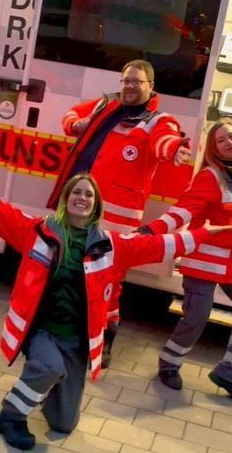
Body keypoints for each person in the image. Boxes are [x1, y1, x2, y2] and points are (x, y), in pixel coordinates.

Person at [0, 151, 232, 450]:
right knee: (47, 366)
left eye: (89, 195)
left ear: (95, 205)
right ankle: (11, 416)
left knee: (63, 423)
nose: (82, 198)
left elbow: (159, 245)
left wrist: (205, 234)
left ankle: (45, 388)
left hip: (76, 341)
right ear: (65, 199)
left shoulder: (111, 245)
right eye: (77, 192)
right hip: (42, 331)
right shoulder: (38, 231)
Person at [47, 59, 191, 367]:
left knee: (108, 279)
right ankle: (72, 331)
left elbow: (164, 142)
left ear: (151, 86)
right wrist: (77, 125)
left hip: (117, 218)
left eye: (137, 82)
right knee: (72, 268)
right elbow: (71, 115)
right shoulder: (106, 104)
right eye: (126, 80)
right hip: (83, 209)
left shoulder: (157, 119)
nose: (129, 86)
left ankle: (106, 336)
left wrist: (176, 148)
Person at [138, 119, 232, 398]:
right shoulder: (210, 177)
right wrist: (151, 230)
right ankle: (169, 363)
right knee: (198, 316)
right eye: (222, 140)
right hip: (204, 260)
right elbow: (183, 212)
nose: (230, 142)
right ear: (214, 149)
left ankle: (230, 374)